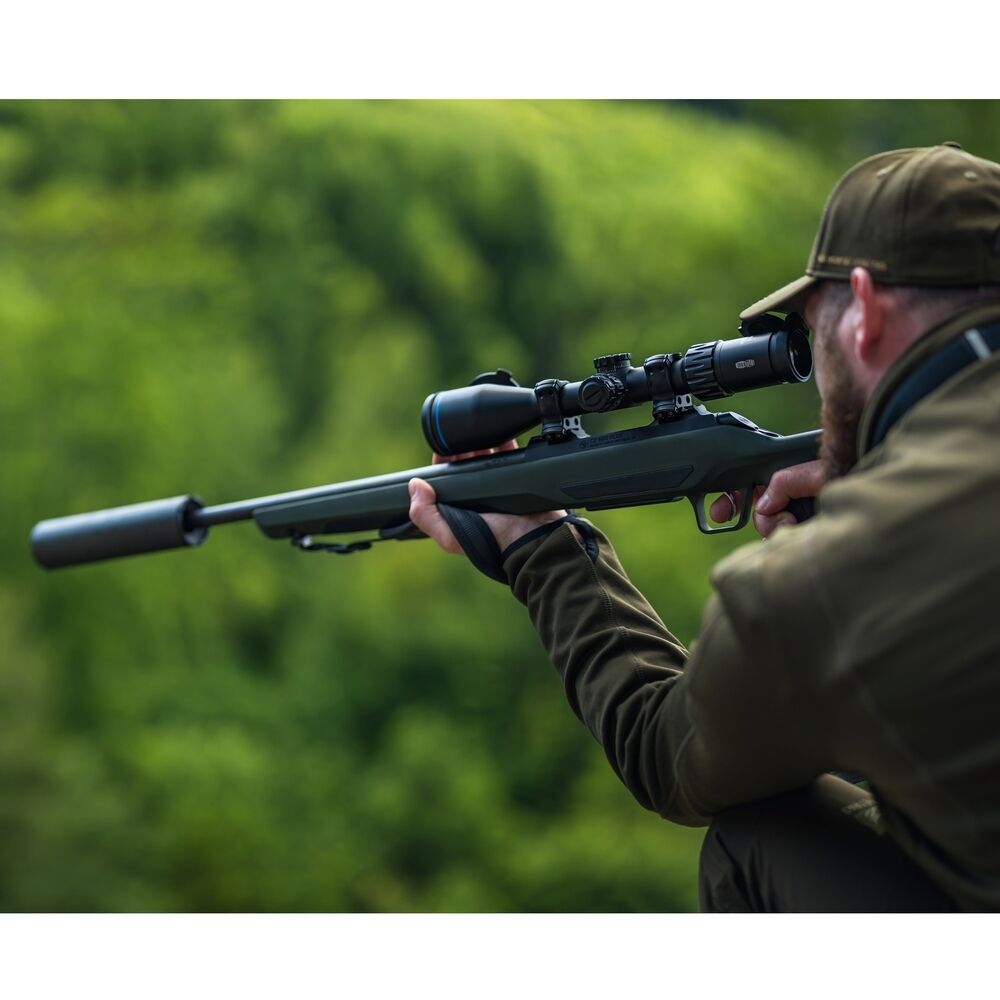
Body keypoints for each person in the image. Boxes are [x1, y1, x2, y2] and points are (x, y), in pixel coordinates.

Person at [407, 142, 1000, 912]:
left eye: (812, 331)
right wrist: (879, 475)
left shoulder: (830, 576)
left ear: (866, 311)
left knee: (757, 836)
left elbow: (666, 754)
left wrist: (539, 545)